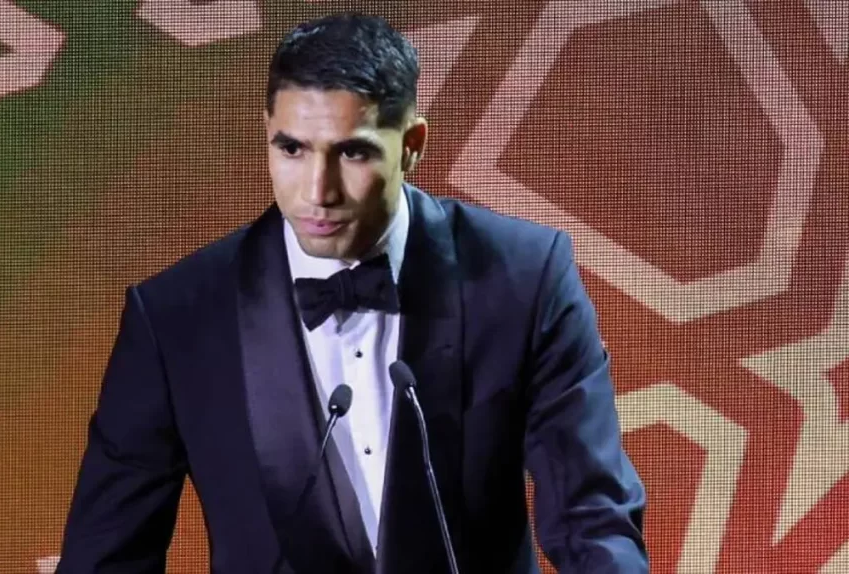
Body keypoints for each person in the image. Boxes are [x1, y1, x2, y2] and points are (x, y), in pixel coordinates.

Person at [56, 12, 647, 574]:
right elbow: (105, 556)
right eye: (292, 149)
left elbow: (592, 517)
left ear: (411, 144)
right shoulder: (176, 319)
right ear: (266, 135)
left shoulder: (524, 277)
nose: (318, 191)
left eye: (353, 152)